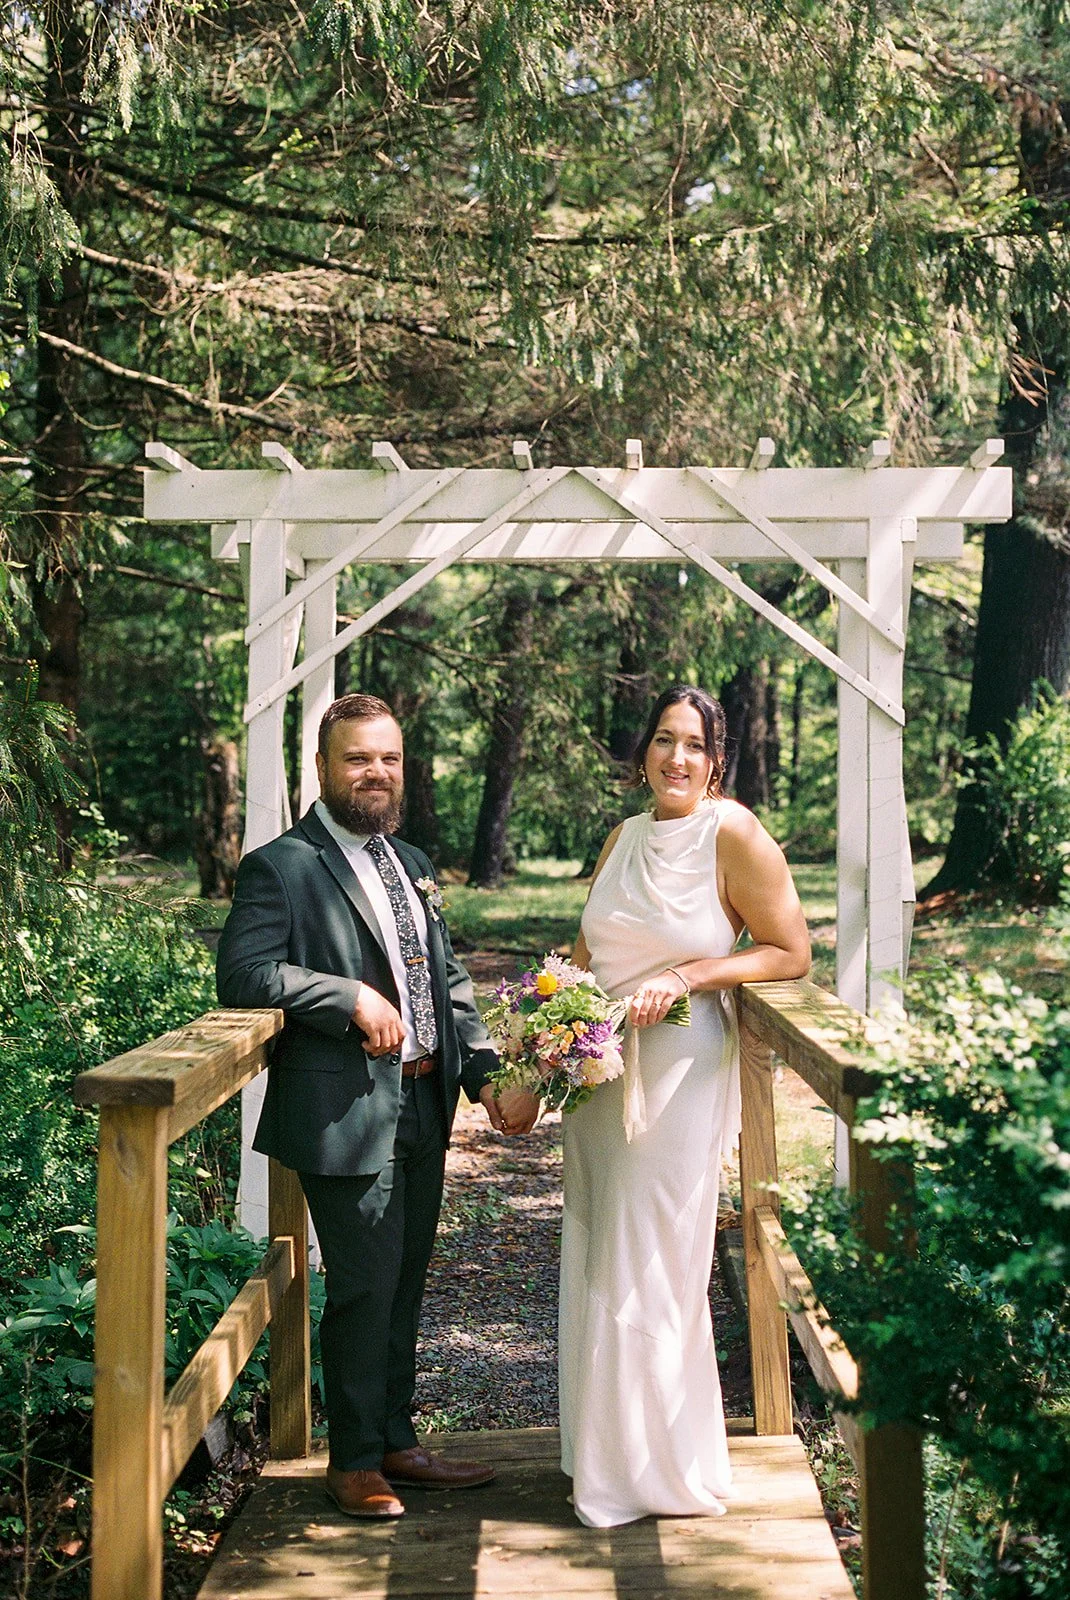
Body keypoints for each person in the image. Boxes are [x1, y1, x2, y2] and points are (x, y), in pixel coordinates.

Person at [500, 684, 811, 1527]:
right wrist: (533, 1060)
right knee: (599, 1245)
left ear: (717, 761)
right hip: (597, 1076)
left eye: (697, 744)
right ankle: (600, 1460)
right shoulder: (622, 838)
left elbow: (790, 951)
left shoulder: (732, 832)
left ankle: (661, 1472)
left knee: (657, 1257)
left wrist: (687, 975)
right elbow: (579, 958)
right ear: (643, 753)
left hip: (676, 1069)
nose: (679, 757)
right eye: (665, 740)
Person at [217, 693, 508, 1520]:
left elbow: (445, 985)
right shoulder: (283, 866)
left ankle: (396, 1441)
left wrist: (484, 1075)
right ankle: (352, 1462)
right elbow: (243, 973)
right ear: (323, 768)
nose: (375, 772)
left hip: (422, 1105)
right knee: (362, 1286)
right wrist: (344, 994)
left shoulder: (409, 857)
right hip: (344, 1111)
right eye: (357, 758)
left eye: (388, 758)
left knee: (405, 1279)